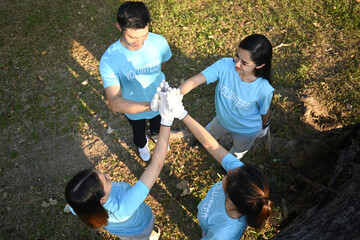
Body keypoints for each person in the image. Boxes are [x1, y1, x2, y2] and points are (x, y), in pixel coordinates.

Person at [65, 84, 175, 240]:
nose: (108, 174)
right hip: (141, 226)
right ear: (102, 200)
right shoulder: (125, 205)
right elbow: (156, 165)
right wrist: (166, 120)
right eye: (106, 179)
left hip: (120, 232)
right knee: (144, 236)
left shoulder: (81, 205)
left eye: (102, 173)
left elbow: (73, 204)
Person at [161, 88, 273, 239]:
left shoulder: (222, 234)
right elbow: (211, 145)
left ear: (229, 195)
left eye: (228, 176)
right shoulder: (240, 177)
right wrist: (182, 114)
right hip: (207, 220)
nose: (230, 169)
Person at [179, 34, 274, 159]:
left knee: (237, 152)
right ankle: (200, 143)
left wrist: (263, 127)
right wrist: (176, 94)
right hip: (222, 119)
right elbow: (195, 81)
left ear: (259, 65)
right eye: (237, 56)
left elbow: (264, 110)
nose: (237, 64)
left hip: (246, 130)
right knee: (209, 133)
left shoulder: (264, 88)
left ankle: (227, 167)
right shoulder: (224, 65)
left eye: (244, 63)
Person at [99, 1, 172, 161]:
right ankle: (141, 145)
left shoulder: (160, 42)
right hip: (134, 110)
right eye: (132, 36)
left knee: (158, 126)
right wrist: (151, 105)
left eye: (144, 35)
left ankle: (156, 135)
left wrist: (157, 104)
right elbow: (115, 102)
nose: (139, 43)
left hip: (160, 100)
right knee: (138, 133)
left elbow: (162, 65)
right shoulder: (109, 60)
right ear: (119, 26)